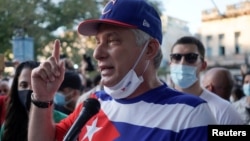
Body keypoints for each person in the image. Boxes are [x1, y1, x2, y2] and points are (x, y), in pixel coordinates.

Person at [28, 0, 217, 141]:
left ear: (149, 49)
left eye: (112, 41)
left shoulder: (190, 114)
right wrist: (42, 98)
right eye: (98, 42)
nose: (97, 53)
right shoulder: (93, 104)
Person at [169, 36, 244, 124]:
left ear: (203, 65)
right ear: (170, 64)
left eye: (191, 57)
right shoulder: (159, 105)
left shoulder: (223, 111)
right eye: (176, 57)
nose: (182, 63)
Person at [0, 61, 67, 141]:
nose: (29, 89)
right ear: (16, 89)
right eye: (24, 85)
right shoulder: (8, 126)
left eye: (35, 84)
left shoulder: (64, 121)